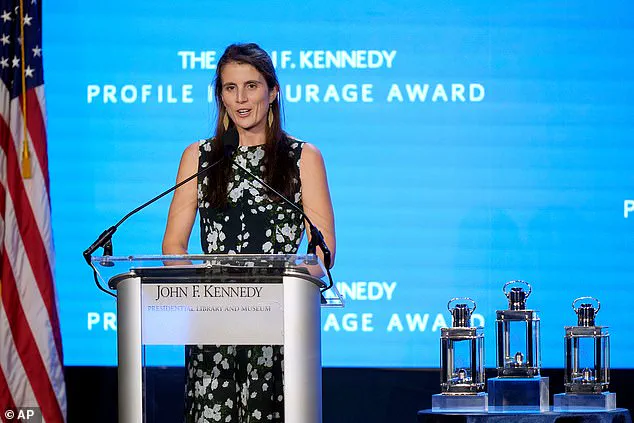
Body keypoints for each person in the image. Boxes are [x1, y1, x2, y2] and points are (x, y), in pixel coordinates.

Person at [162, 43, 336, 422]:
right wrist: (205, 297)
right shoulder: (199, 157)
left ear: (272, 92)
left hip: (278, 325)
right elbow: (174, 245)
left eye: (251, 86)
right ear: (221, 96)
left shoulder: (302, 158)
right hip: (213, 324)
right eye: (230, 88)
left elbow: (322, 250)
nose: (241, 99)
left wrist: (282, 292)